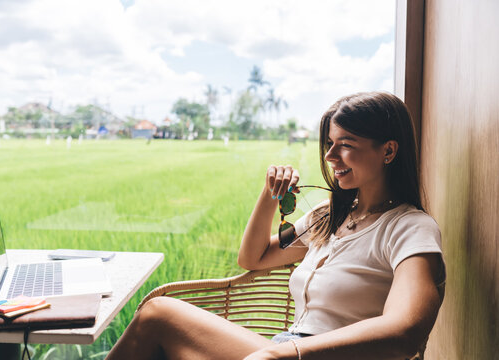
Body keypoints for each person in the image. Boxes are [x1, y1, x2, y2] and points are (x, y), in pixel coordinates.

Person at [106, 92, 445, 360]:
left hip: (309, 354)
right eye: (329, 144)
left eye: (346, 145)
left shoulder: (409, 229)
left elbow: (406, 332)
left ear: (388, 150)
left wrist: (288, 352)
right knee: (162, 333)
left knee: (159, 315)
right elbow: (254, 257)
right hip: (283, 347)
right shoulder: (329, 216)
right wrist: (270, 195)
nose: (330, 157)